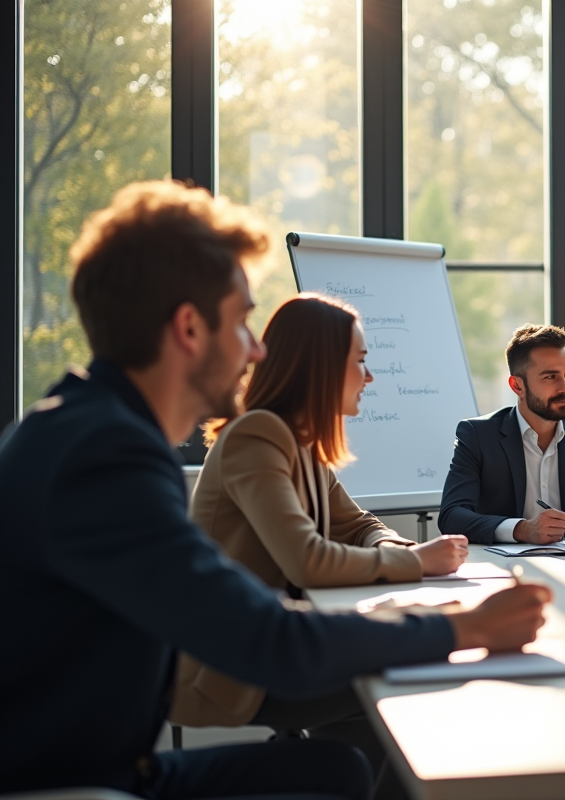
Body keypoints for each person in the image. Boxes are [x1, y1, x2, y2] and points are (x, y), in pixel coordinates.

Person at [0, 181, 550, 800]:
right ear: (189, 328)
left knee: (338, 769)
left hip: (112, 766)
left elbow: (341, 536)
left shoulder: (90, 431)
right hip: (69, 784)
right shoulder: (102, 457)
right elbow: (267, 638)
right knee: (377, 734)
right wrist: (462, 629)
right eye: (242, 321)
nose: (257, 348)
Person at [169, 293, 469, 794]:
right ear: (322, 366)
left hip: (278, 644)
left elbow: (359, 524)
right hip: (231, 670)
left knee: (379, 717)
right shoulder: (257, 435)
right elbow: (307, 561)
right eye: (360, 361)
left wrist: (397, 549)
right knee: (418, 683)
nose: (369, 378)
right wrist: (415, 561)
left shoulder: (301, 444)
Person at [439, 324, 565, 545]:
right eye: (550, 377)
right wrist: (522, 530)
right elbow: (452, 516)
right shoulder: (477, 435)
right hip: (501, 563)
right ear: (517, 386)